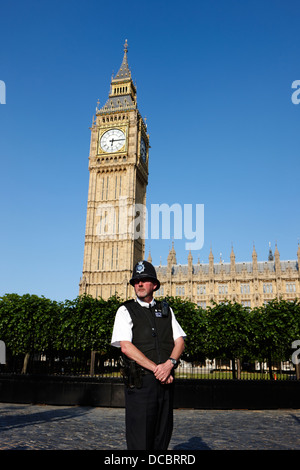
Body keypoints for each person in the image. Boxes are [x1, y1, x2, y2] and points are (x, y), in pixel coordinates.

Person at [111, 260, 186, 450]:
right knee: (140, 440)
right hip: (141, 385)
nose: (139, 284)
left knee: (162, 435)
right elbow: (126, 347)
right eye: (136, 281)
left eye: (144, 280)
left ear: (154, 285)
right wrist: (157, 369)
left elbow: (180, 342)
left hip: (166, 383)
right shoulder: (125, 310)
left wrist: (169, 364)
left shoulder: (166, 310)